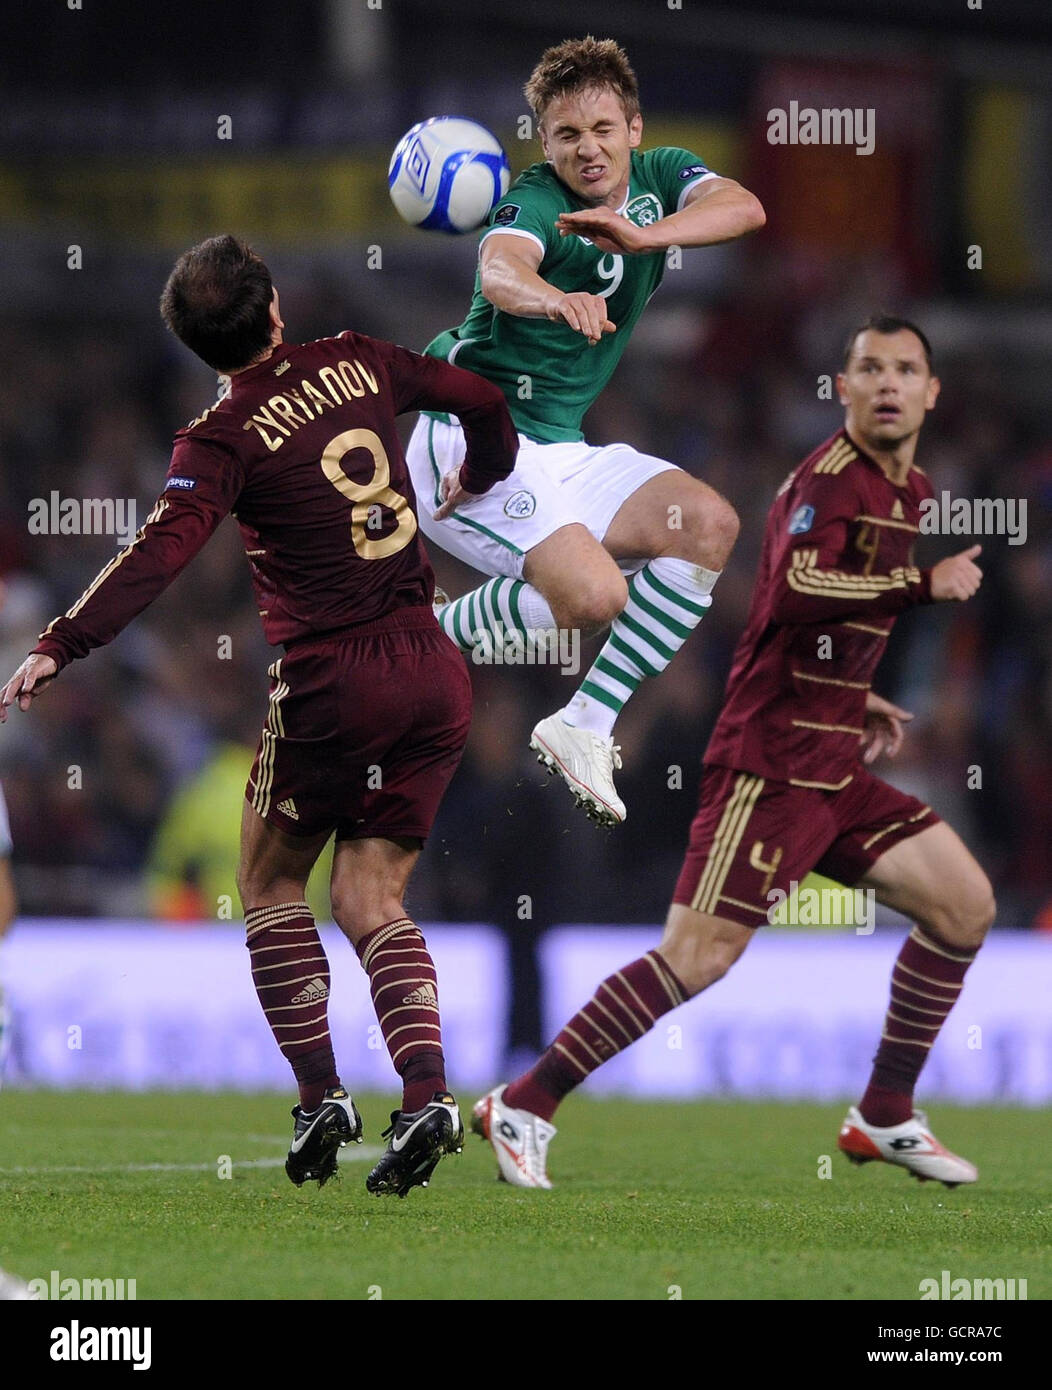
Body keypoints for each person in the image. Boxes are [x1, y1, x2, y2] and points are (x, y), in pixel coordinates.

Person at [0, 234, 518, 1196]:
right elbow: (483, 399)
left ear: (200, 347)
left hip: (334, 678)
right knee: (373, 903)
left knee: (273, 882)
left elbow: (161, 553)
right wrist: (484, 473)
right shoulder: (358, 358)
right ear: (275, 304)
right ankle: (429, 1093)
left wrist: (62, 641)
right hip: (431, 661)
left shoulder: (220, 436)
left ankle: (323, 1096)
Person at [472, 317, 995, 1190]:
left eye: (908, 369)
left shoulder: (912, 490)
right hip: (770, 767)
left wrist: (851, 692)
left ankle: (885, 1113)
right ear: (843, 389)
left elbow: (796, 625)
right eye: (871, 368)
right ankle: (525, 1101)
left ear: (932, 392)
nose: (890, 383)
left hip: (836, 767)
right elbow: (789, 594)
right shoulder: (828, 482)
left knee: (965, 907)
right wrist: (921, 585)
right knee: (697, 957)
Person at [406, 35, 765, 826]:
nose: (587, 148)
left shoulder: (666, 176)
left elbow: (745, 207)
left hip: (560, 447)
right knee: (596, 594)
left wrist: (651, 237)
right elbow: (499, 268)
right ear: (543, 143)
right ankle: (417, 636)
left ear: (634, 129)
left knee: (707, 525)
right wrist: (550, 298)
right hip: (469, 438)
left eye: (603, 129)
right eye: (566, 135)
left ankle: (583, 724)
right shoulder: (536, 198)